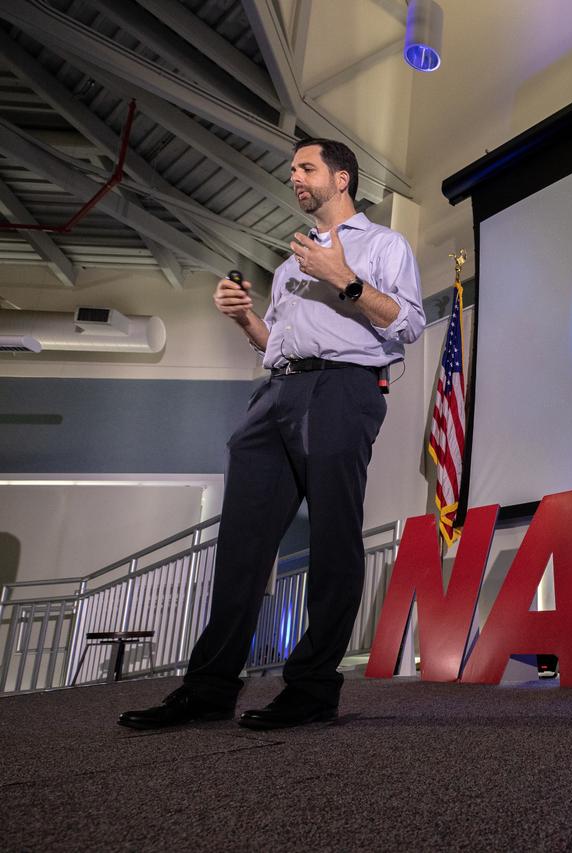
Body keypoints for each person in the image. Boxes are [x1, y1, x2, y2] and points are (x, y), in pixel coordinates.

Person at [119, 138, 426, 730]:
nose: (294, 177)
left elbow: (408, 323)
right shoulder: (290, 265)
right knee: (241, 546)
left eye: (306, 168)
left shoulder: (384, 244)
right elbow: (276, 347)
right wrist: (245, 318)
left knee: (334, 541)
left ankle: (312, 688)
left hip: (342, 389)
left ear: (342, 179)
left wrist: (344, 278)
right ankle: (209, 687)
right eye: (291, 170)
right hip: (278, 393)